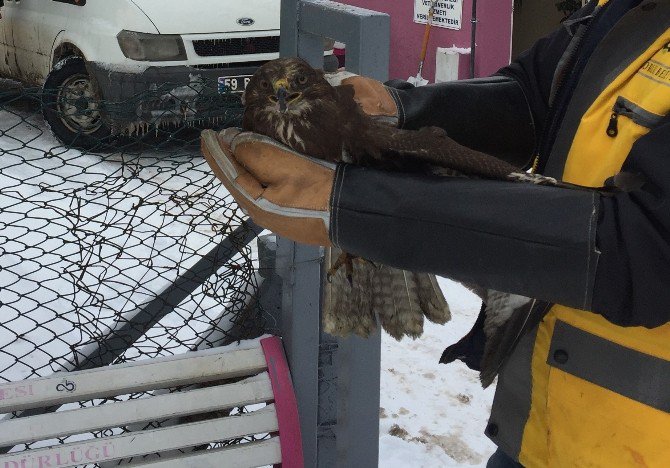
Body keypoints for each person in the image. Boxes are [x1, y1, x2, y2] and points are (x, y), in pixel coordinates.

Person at [203, 0, 670, 465]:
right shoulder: (634, 11)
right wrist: (401, 110)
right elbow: (535, 99)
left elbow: (646, 248)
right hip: (539, 426)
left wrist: (354, 209)